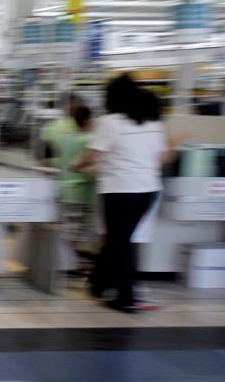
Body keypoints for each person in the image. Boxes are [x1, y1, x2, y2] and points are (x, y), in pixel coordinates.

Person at [74, 74, 180, 313]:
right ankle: (98, 284)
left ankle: (126, 296)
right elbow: (163, 158)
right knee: (119, 239)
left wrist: (77, 165)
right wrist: (176, 144)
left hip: (120, 189)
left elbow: (93, 154)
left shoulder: (110, 122)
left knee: (121, 242)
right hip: (148, 190)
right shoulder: (153, 122)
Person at [53, 104, 96, 274]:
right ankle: (73, 264)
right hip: (81, 190)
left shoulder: (66, 138)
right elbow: (89, 164)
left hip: (65, 187)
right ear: (88, 120)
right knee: (77, 231)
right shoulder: (88, 140)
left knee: (70, 228)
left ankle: (71, 262)